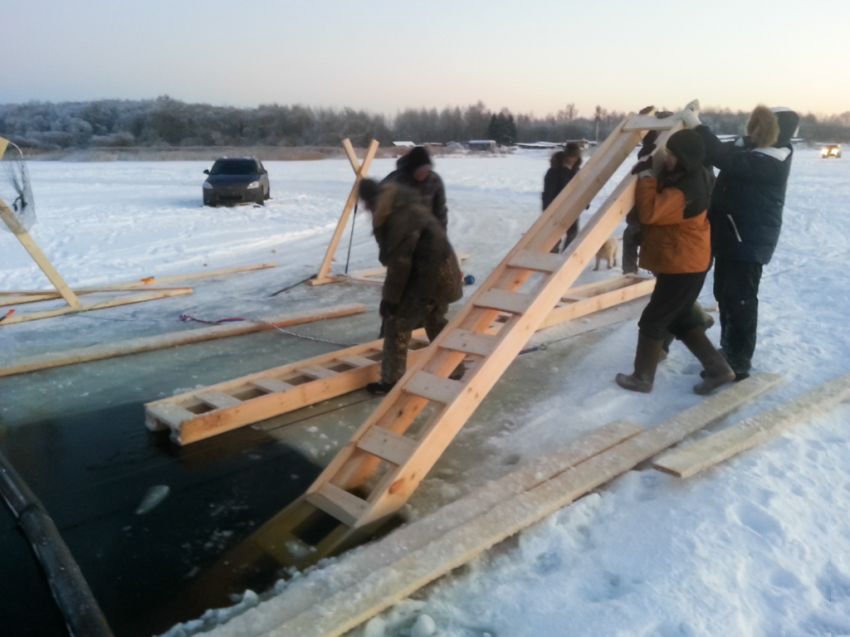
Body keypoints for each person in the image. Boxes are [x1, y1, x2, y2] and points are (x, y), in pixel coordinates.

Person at [684, 103, 799, 380]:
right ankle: (728, 349)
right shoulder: (753, 148)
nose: (756, 131)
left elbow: (724, 157)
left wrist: (698, 125)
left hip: (747, 241)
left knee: (741, 301)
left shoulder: (774, 158)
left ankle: (739, 361)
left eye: (763, 126)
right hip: (731, 237)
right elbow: (728, 148)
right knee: (725, 295)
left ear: (775, 131)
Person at [616, 129, 734, 395]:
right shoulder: (686, 176)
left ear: (686, 157)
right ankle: (719, 370)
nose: (667, 158)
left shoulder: (688, 189)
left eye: (671, 154)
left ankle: (642, 378)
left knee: (653, 320)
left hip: (685, 265)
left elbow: (650, 212)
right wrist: (651, 149)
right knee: (679, 318)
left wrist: (646, 177)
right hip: (681, 263)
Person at [357, 178, 463, 395]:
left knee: (396, 325)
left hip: (428, 277)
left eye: (366, 204)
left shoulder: (397, 218)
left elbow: (400, 264)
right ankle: (455, 367)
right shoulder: (403, 205)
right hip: (443, 274)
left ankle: (391, 382)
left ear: (371, 200)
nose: (366, 210)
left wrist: (390, 300)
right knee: (435, 320)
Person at [382, 145, 448, 229]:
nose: (424, 173)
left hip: (427, 230)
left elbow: (440, 210)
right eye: (420, 170)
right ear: (412, 168)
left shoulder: (434, 180)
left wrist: (441, 234)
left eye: (427, 169)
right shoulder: (396, 180)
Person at [541, 142, 583, 252]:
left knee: (573, 232)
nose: (572, 160)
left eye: (575, 157)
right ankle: (552, 255)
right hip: (556, 207)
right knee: (553, 235)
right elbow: (549, 192)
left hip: (572, 207)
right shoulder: (554, 171)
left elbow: (580, 188)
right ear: (565, 156)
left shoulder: (577, 171)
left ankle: (566, 257)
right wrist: (547, 210)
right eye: (570, 157)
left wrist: (584, 202)